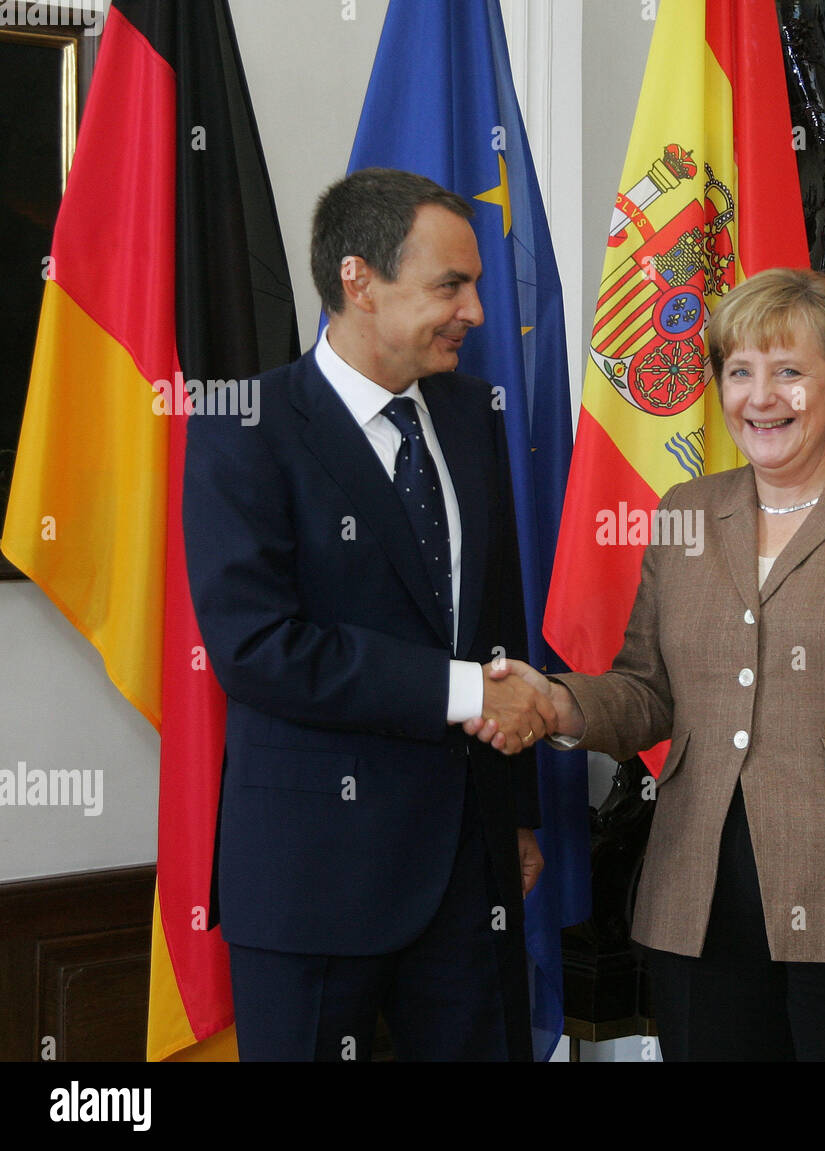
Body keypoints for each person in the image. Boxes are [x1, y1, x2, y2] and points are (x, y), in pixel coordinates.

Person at [474, 267, 825, 1061]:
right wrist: (556, 702)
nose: (761, 397)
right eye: (740, 371)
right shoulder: (687, 509)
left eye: (789, 371)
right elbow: (647, 692)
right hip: (697, 908)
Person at [183, 168, 557, 1061]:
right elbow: (260, 649)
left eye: (474, 284)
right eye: (449, 286)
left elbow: (495, 615)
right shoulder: (245, 426)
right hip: (314, 879)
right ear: (359, 280)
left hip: (471, 873)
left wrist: (515, 817)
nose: (474, 310)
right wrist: (466, 690)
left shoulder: (471, 416)